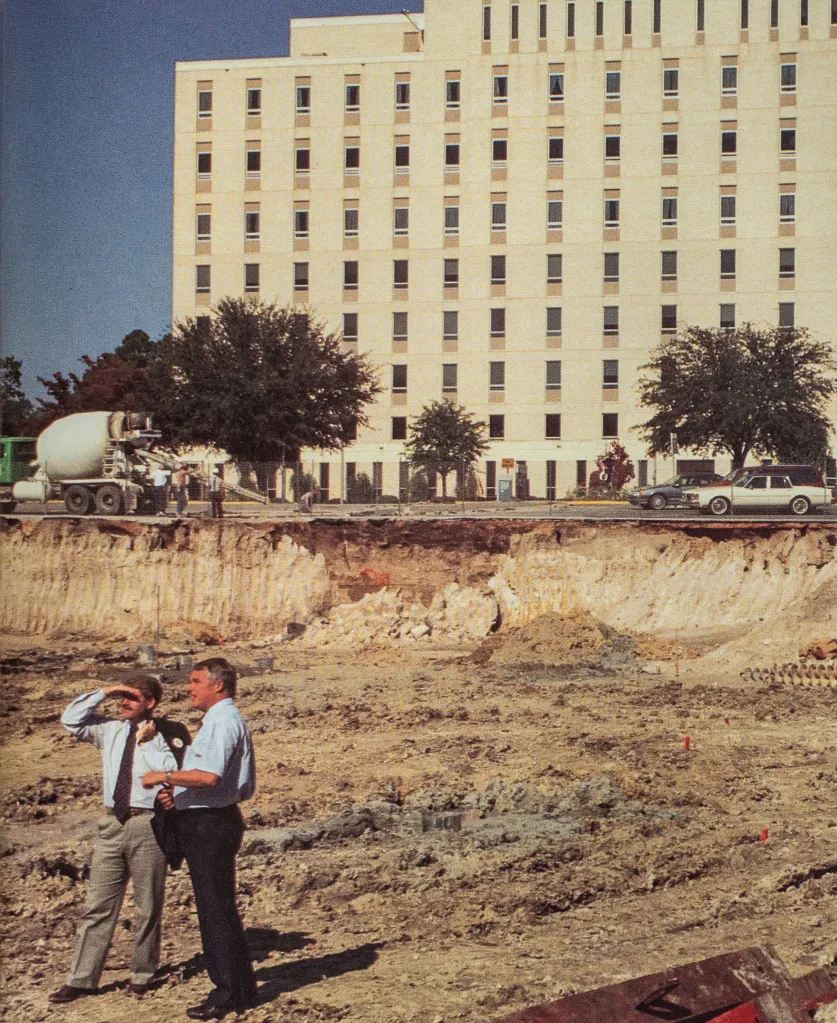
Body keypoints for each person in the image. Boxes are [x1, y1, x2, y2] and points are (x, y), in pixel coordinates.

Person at [49, 677, 190, 1004]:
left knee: (148, 904)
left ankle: (143, 973)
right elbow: (70, 720)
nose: (124, 703)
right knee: (97, 904)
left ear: (151, 702)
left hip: (150, 824)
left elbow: (173, 773)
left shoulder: (171, 733)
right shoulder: (109, 729)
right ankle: (82, 978)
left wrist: (149, 743)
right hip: (112, 823)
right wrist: (106, 691)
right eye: (122, 697)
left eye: (132, 697)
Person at [143, 658, 257, 1020]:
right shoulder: (219, 719)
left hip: (210, 825)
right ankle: (239, 988)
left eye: (195, 681)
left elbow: (209, 777)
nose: (189, 688)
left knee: (216, 910)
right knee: (218, 908)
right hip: (207, 819)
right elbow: (207, 779)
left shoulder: (223, 721)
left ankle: (228, 994)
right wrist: (175, 795)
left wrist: (163, 776)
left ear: (217, 685)